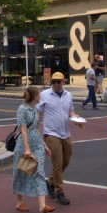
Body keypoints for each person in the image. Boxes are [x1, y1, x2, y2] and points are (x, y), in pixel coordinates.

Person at [38, 71, 80, 205]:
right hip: (51, 134)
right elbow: (39, 113)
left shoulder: (68, 95)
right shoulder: (44, 95)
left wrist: (76, 119)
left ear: (63, 82)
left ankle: (50, 182)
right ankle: (59, 191)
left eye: (58, 81)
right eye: (53, 81)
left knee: (65, 161)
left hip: (65, 133)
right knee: (57, 163)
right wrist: (33, 129)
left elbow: (70, 111)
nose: (56, 84)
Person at [13, 85, 54, 213]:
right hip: (24, 144)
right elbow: (23, 130)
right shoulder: (22, 109)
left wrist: (44, 145)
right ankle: (19, 202)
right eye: (38, 94)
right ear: (34, 96)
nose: (40, 96)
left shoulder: (36, 109)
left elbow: (36, 128)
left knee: (40, 172)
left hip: (36, 143)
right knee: (21, 172)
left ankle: (42, 206)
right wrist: (26, 149)